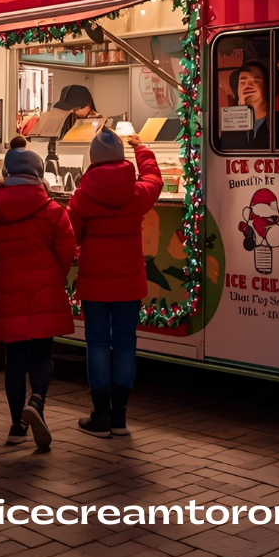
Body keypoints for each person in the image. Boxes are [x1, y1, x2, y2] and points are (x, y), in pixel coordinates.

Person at [68, 129, 162, 438]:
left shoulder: (82, 196)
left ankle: (100, 416)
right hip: (129, 284)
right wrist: (142, 149)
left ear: (93, 159)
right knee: (125, 343)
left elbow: (71, 235)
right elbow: (155, 179)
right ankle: (119, 417)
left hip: (95, 284)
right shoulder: (136, 193)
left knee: (97, 343)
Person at [0, 142, 76, 449]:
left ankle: (16, 425)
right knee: (41, 352)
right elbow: (67, 249)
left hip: (10, 287)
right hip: (44, 287)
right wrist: (55, 276)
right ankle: (36, 402)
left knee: (14, 357)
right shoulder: (52, 210)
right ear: (38, 174)